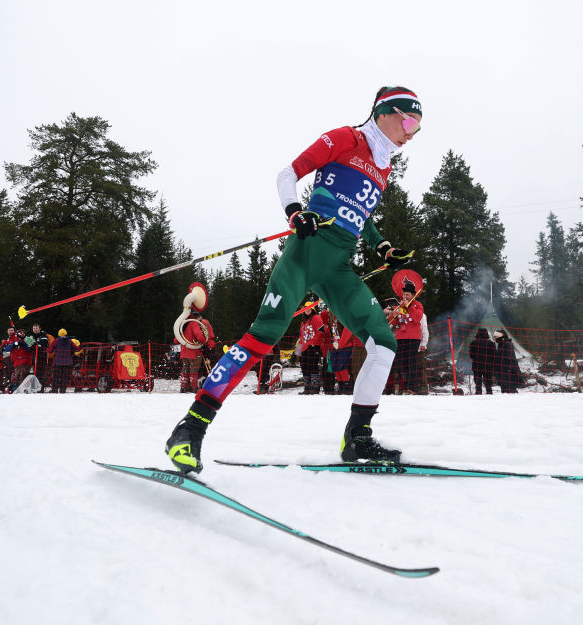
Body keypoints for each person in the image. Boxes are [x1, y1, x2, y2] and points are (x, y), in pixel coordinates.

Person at [165, 86, 423, 474]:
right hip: (306, 251)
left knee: (383, 342)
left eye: (418, 128)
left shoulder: (383, 166)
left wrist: (383, 246)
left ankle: (358, 437)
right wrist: (295, 211)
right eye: (408, 121)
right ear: (384, 113)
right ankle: (189, 429)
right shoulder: (345, 138)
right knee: (263, 336)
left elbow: (361, 214)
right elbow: (289, 173)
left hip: (338, 266)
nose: (411, 132)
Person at [388, 279, 424, 394]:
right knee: (402, 363)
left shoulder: (418, 305)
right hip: (400, 337)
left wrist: (409, 306)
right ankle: (405, 386)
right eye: (404, 294)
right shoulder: (399, 305)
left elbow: (417, 318)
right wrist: (394, 313)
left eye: (407, 295)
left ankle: (412, 388)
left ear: (413, 295)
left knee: (411, 362)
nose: (405, 296)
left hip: (413, 338)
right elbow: (392, 322)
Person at [178, 311, 216, 393]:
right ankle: (194, 387)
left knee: (185, 370)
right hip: (194, 352)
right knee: (194, 370)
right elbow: (201, 338)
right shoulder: (194, 323)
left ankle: (184, 387)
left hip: (184, 353)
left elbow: (176, 340)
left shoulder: (183, 324)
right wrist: (204, 341)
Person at [297, 303, 326, 394]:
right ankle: (307, 388)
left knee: (313, 367)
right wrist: (298, 351)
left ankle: (315, 388)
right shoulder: (303, 323)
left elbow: (321, 330)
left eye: (310, 308)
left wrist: (313, 343)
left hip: (313, 347)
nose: (307, 310)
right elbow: (301, 337)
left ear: (313, 310)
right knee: (304, 367)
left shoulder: (316, 318)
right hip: (303, 348)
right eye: (306, 308)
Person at [50, 328, 79, 393]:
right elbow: (76, 349)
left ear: (59, 334)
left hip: (57, 362)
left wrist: (48, 350)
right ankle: (63, 390)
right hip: (67, 362)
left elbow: (50, 350)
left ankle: (54, 390)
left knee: (55, 376)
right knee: (64, 377)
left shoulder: (56, 341)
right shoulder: (70, 341)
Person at [469, 328, 495, 394]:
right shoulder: (491, 343)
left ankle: (478, 392)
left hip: (477, 364)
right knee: (488, 380)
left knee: (478, 380)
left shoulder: (473, 343)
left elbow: (471, 355)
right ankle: (489, 392)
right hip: (488, 364)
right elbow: (494, 355)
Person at [29, 323, 51, 391]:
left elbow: (43, 345)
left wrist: (35, 344)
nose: (35, 329)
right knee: (32, 373)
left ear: (39, 328)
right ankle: (33, 387)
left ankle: (41, 387)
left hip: (42, 357)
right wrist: (33, 344)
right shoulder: (30, 336)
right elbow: (29, 346)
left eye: (36, 328)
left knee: (41, 372)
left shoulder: (43, 336)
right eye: (34, 328)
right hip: (33, 357)